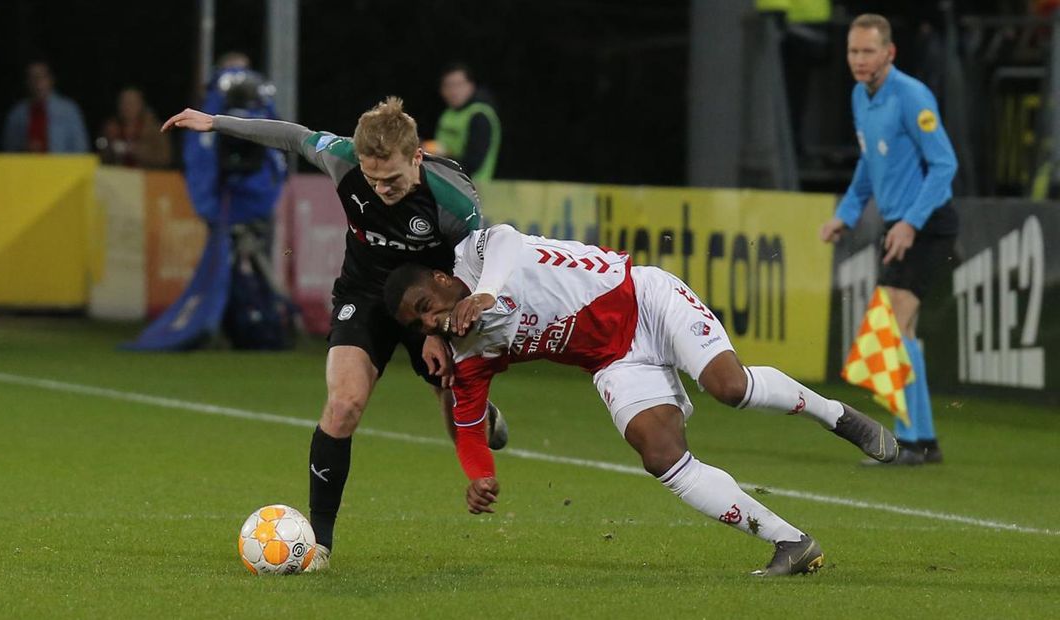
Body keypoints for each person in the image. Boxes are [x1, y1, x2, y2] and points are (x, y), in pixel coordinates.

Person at [383, 224, 900, 576]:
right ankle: (790, 542)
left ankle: (836, 415)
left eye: (427, 307)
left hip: (646, 298)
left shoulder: (474, 257)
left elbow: (507, 240)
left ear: (443, 280)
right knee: (659, 456)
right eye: (419, 323)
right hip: (615, 361)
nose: (431, 322)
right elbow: (469, 423)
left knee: (729, 387)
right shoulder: (467, 351)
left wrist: (488, 293)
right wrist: (478, 475)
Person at [161, 96, 508, 569]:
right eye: (372, 179)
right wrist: (216, 123)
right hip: (364, 295)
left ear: (417, 157)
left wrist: (440, 332)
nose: (382, 189)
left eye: (393, 180)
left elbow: (468, 276)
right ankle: (319, 542)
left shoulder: (454, 201)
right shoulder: (341, 156)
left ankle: (479, 411)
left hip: (432, 301)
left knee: (453, 405)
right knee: (343, 405)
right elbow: (291, 135)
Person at [819, 13, 958, 466]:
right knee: (903, 331)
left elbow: (944, 166)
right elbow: (868, 165)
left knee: (892, 327)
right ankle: (923, 441)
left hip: (927, 223)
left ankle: (911, 442)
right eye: (852, 52)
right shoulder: (862, 96)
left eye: (867, 51)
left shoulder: (911, 95)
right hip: (898, 226)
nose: (859, 60)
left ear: (889, 52)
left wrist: (911, 223)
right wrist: (846, 214)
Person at [424, 63, 501, 181]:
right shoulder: (447, 114)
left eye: (459, 85)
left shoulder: (479, 115)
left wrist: (435, 158)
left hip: (473, 189)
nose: (453, 91)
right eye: (448, 85)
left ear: (471, 86)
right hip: (447, 182)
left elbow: (472, 164)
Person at [2, 61, 89, 153]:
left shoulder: (69, 110)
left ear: (51, 79)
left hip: (60, 166)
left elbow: (81, 148)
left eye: (42, 77)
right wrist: (24, 148)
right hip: (27, 165)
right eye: (33, 78)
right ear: (26, 82)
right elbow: (8, 150)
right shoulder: (17, 114)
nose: (38, 82)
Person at [96, 87, 172, 168]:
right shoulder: (111, 127)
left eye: (131, 103)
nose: (127, 107)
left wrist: (139, 151)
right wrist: (110, 148)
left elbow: (166, 158)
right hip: (117, 175)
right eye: (124, 103)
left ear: (141, 104)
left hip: (148, 176)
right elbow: (100, 153)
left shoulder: (155, 129)